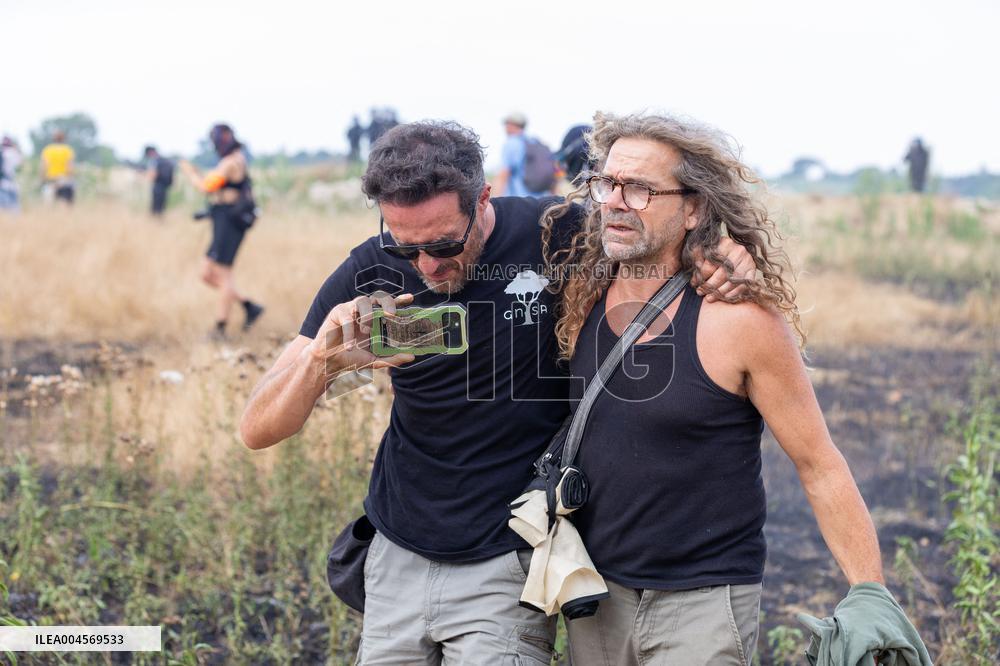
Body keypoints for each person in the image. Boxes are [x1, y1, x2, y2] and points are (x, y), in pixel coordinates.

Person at [239, 120, 755, 664]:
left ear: (482, 198)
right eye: (406, 248)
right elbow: (258, 428)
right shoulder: (371, 266)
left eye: (443, 244)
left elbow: (658, 231)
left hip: (505, 561)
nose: (426, 266)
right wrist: (323, 361)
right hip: (395, 555)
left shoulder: (557, 234)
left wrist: (720, 251)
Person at [541, 112, 887, 665]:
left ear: (695, 207)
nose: (615, 200)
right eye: (607, 182)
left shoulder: (740, 320)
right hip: (595, 597)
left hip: (700, 604)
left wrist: (871, 595)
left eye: (641, 188)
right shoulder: (582, 290)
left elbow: (819, 463)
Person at [179, 124, 264, 338]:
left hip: (229, 222)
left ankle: (220, 328)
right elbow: (215, 184)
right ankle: (248, 306)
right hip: (222, 219)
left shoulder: (230, 162)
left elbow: (206, 187)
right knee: (206, 273)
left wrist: (189, 173)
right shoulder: (233, 159)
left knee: (223, 274)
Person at [493, 112, 552, 198]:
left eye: (506, 124)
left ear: (511, 125)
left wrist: (495, 202)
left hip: (519, 201)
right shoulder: (535, 142)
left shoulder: (511, 143)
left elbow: (504, 174)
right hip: (541, 200)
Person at [40, 130, 75, 204]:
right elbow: (70, 166)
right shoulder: (67, 150)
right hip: (64, 179)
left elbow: (44, 166)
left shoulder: (48, 150)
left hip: (51, 179)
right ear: (63, 139)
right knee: (65, 203)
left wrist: (42, 178)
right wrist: (70, 177)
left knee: (48, 203)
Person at [144, 145, 175, 217]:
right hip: (165, 187)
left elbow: (153, 175)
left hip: (157, 186)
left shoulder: (154, 161)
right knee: (162, 207)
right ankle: (160, 222)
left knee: (155, 207)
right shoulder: (164, 160)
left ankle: (155, 223)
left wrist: (147, 176)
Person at [0, 136, 23, 212]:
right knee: (14, 207)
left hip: (3, 182)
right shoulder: (14, 152)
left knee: (3, 207)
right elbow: (21, 164)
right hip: (13, 182)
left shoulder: (2, 153)